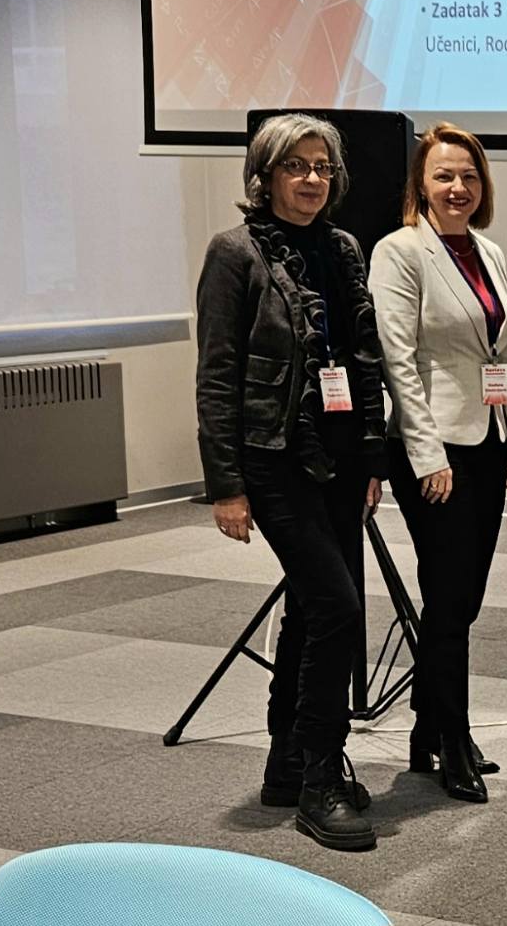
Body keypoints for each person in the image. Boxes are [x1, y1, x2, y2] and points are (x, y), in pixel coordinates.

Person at [195, 112, 385, 852]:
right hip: (273, 457)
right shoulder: (234, 252)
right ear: (266, 174)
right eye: (296, 165)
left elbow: (362, 359)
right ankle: (319, 777)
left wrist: (370, 458)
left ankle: (286, 760)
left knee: (311, 608)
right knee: (338, 607)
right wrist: (226, 484)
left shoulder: (342, 248)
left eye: (323, 167)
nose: (312, 178)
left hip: (340, 458)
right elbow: (217, 374)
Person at [369, 122, 507, 804]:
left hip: (485, 441)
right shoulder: (400, 251)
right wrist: (425, 452)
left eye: (468, 175)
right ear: (421, 184)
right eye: (443, 175)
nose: (458, 186)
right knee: (449, 597)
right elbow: (397, 359)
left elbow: (502, 353)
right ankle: (452, 739)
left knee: (463, 597)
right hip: (433, 449)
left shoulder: (487, 250)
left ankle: (427, 726)